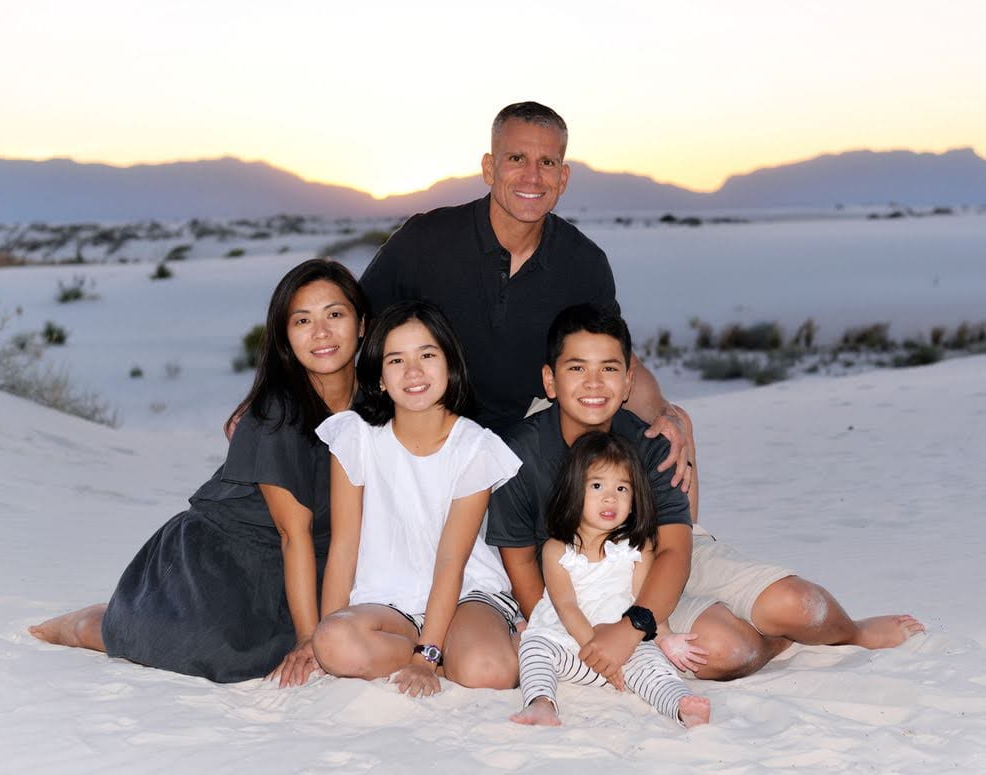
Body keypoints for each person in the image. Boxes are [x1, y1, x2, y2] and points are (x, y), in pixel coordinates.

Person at [488, 303, 925, 682]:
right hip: (584, 585)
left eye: (609, 368)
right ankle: (777, 643)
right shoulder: (517, 454)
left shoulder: (650, 442)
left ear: (628, 381)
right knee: (726, 651)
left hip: (663, 563)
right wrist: (559, 631)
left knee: (800, 605)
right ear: (550, 381)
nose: (593, 382)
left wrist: (634, 625)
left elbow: (675, 549)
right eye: (576, 368)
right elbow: (521, 561)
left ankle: (852, 632)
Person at [28, 258, 367, 686]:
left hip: (318, 561)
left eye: (334, 314)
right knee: (214, 652)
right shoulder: (277, 414)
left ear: (362, 324)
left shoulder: (377, 401)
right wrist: (307, 638)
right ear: (285, 337)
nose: (320, 332)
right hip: (227, 556)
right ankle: (91, 623)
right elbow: (292, 534)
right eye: (302, 320)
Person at [359, 100, 691, 491]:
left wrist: (665, 412)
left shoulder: (583, 263)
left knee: (674, 430)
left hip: (523, 439)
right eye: (517, 158)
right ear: (489, 168)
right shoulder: (425, 240)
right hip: (422, 431)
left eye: (547, 163)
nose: (532, 177)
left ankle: (682, 532)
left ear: (563, 178)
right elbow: (354, 327)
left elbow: (617, 359)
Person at [311, 301, 522, 697]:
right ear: (379, 378)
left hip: (465, 592)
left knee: (487, 672)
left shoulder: (474, 446)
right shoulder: (357, 437)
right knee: (334, 643)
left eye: (427, 355)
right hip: (387, 602)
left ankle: (484, 639)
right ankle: (443, 653)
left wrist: (425, 658)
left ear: (450, 364)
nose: (413, 372)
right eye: (396, 360)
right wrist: (326, 635)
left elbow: (451, 560)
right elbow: (343, 547)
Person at [511, 431, 710, 728]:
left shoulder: (638, 547)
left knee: (652, 665)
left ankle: (681, 705)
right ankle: (541, 703)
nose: (610, 497)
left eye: (621, 488)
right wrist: (597, 652)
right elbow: (566, 606)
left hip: (624, 648)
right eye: (596, 485)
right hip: (573, 646)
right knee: (534, 647)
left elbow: (645, 601)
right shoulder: (557, 549)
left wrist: (665, 637)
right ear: (573, 490)